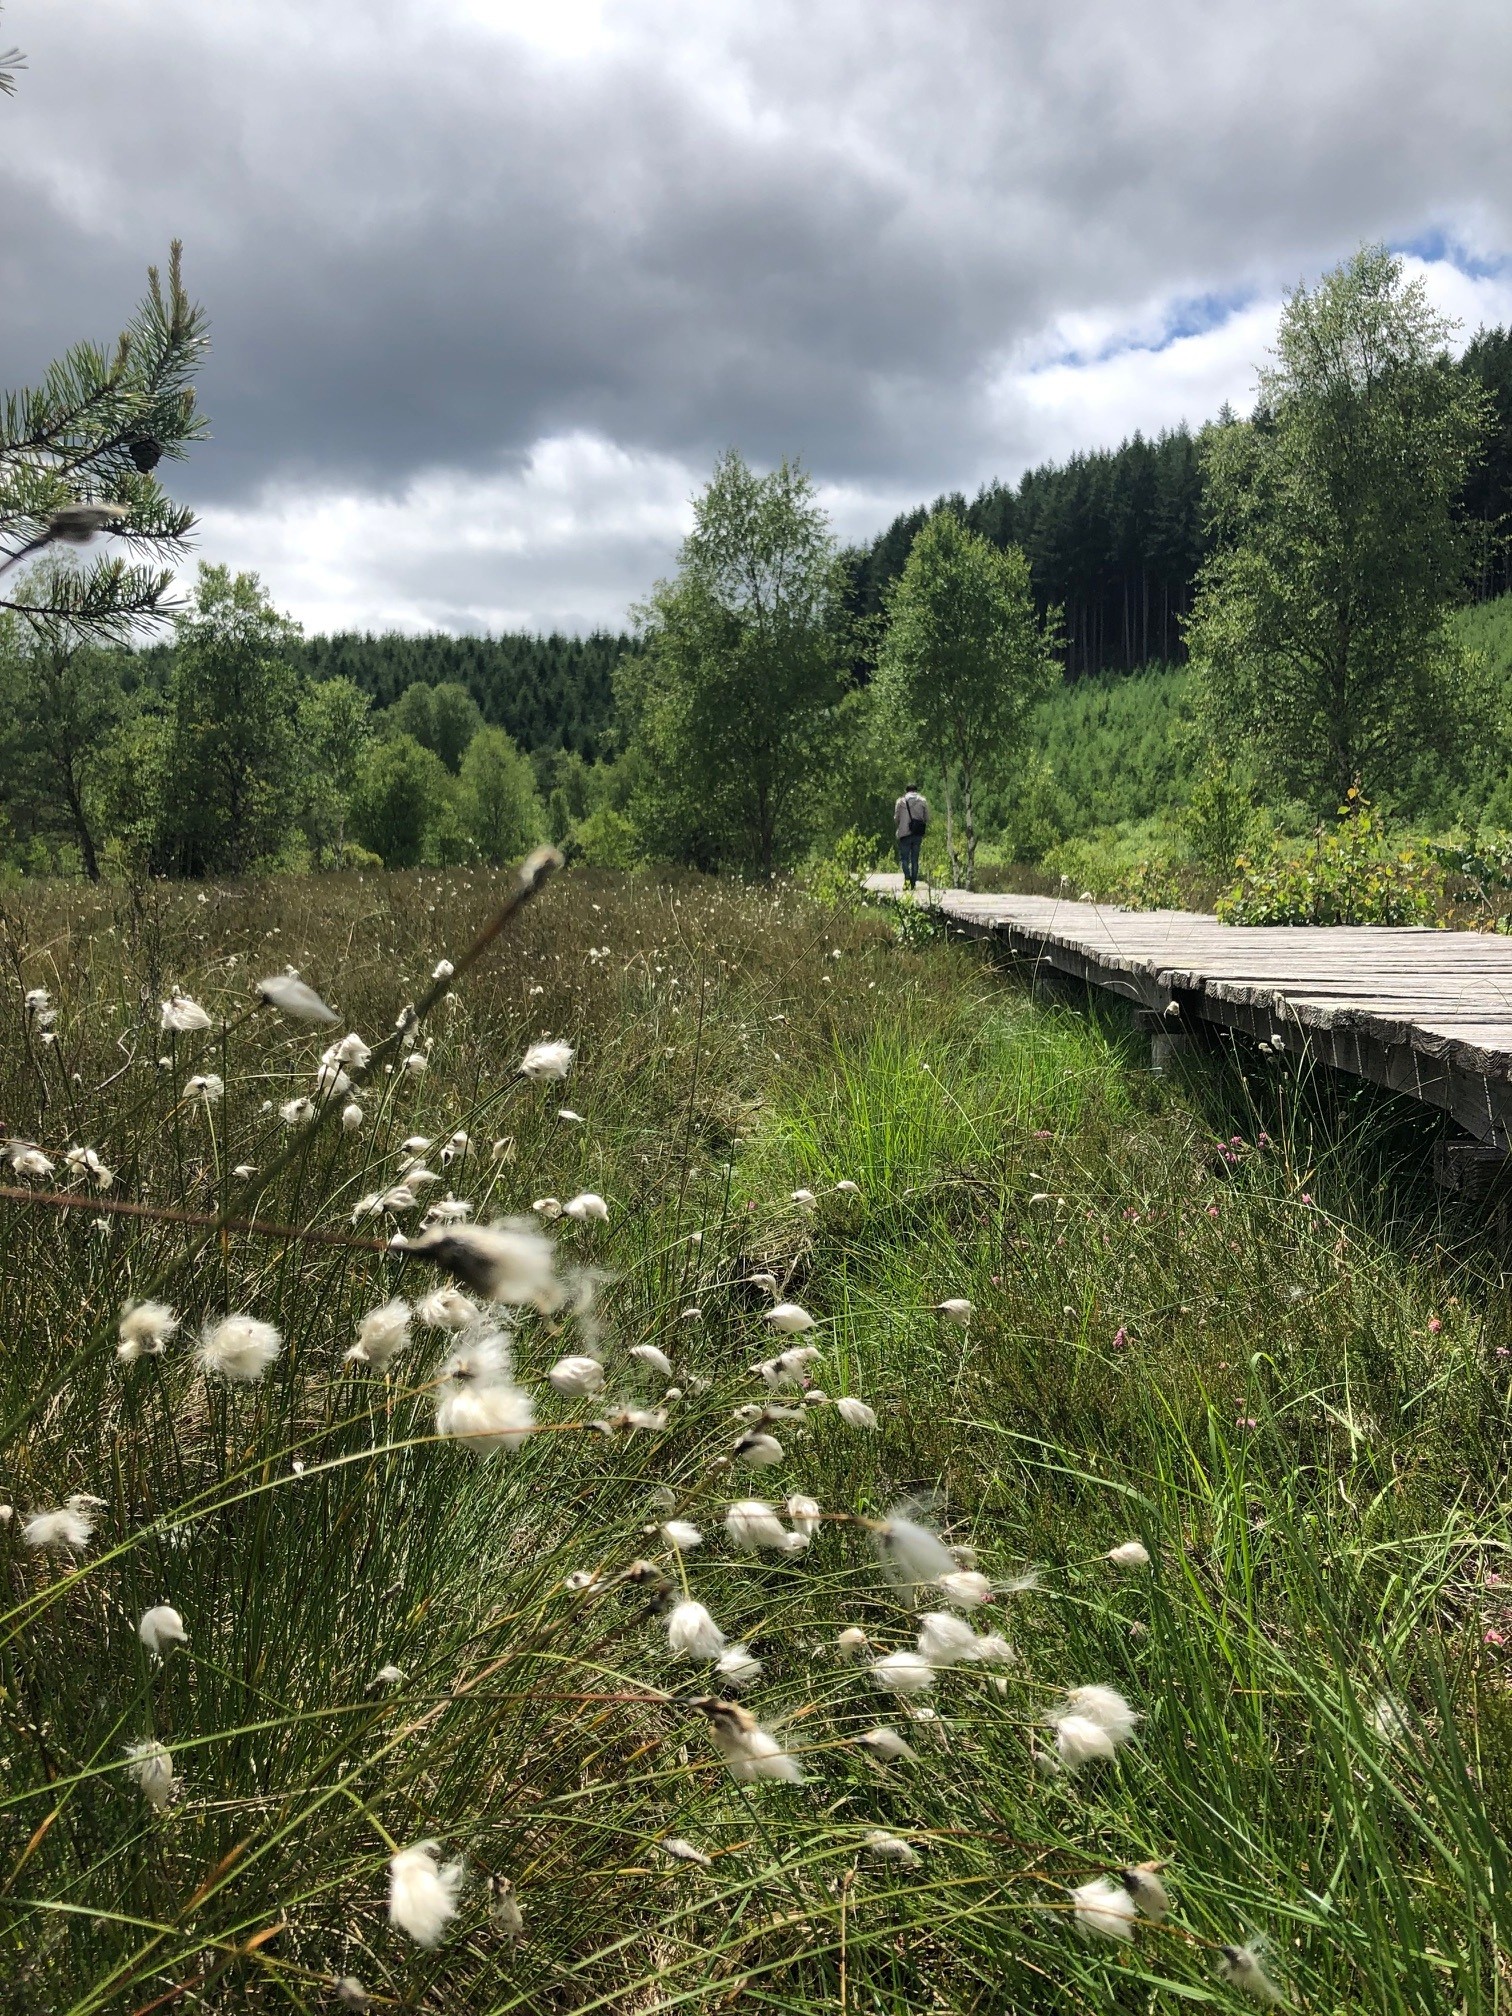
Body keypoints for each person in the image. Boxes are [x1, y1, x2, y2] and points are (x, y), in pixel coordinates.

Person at [893, 783, 929, 888]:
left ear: (906, 790)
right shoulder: (922, 801)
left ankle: (907, 877)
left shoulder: (900, 802)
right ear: (916, 791)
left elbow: (896, 818)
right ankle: (913, 881)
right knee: (915, 859)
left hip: (904, 834)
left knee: (904, 858)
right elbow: (927, 818)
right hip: (917, 833)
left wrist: (902, 824)